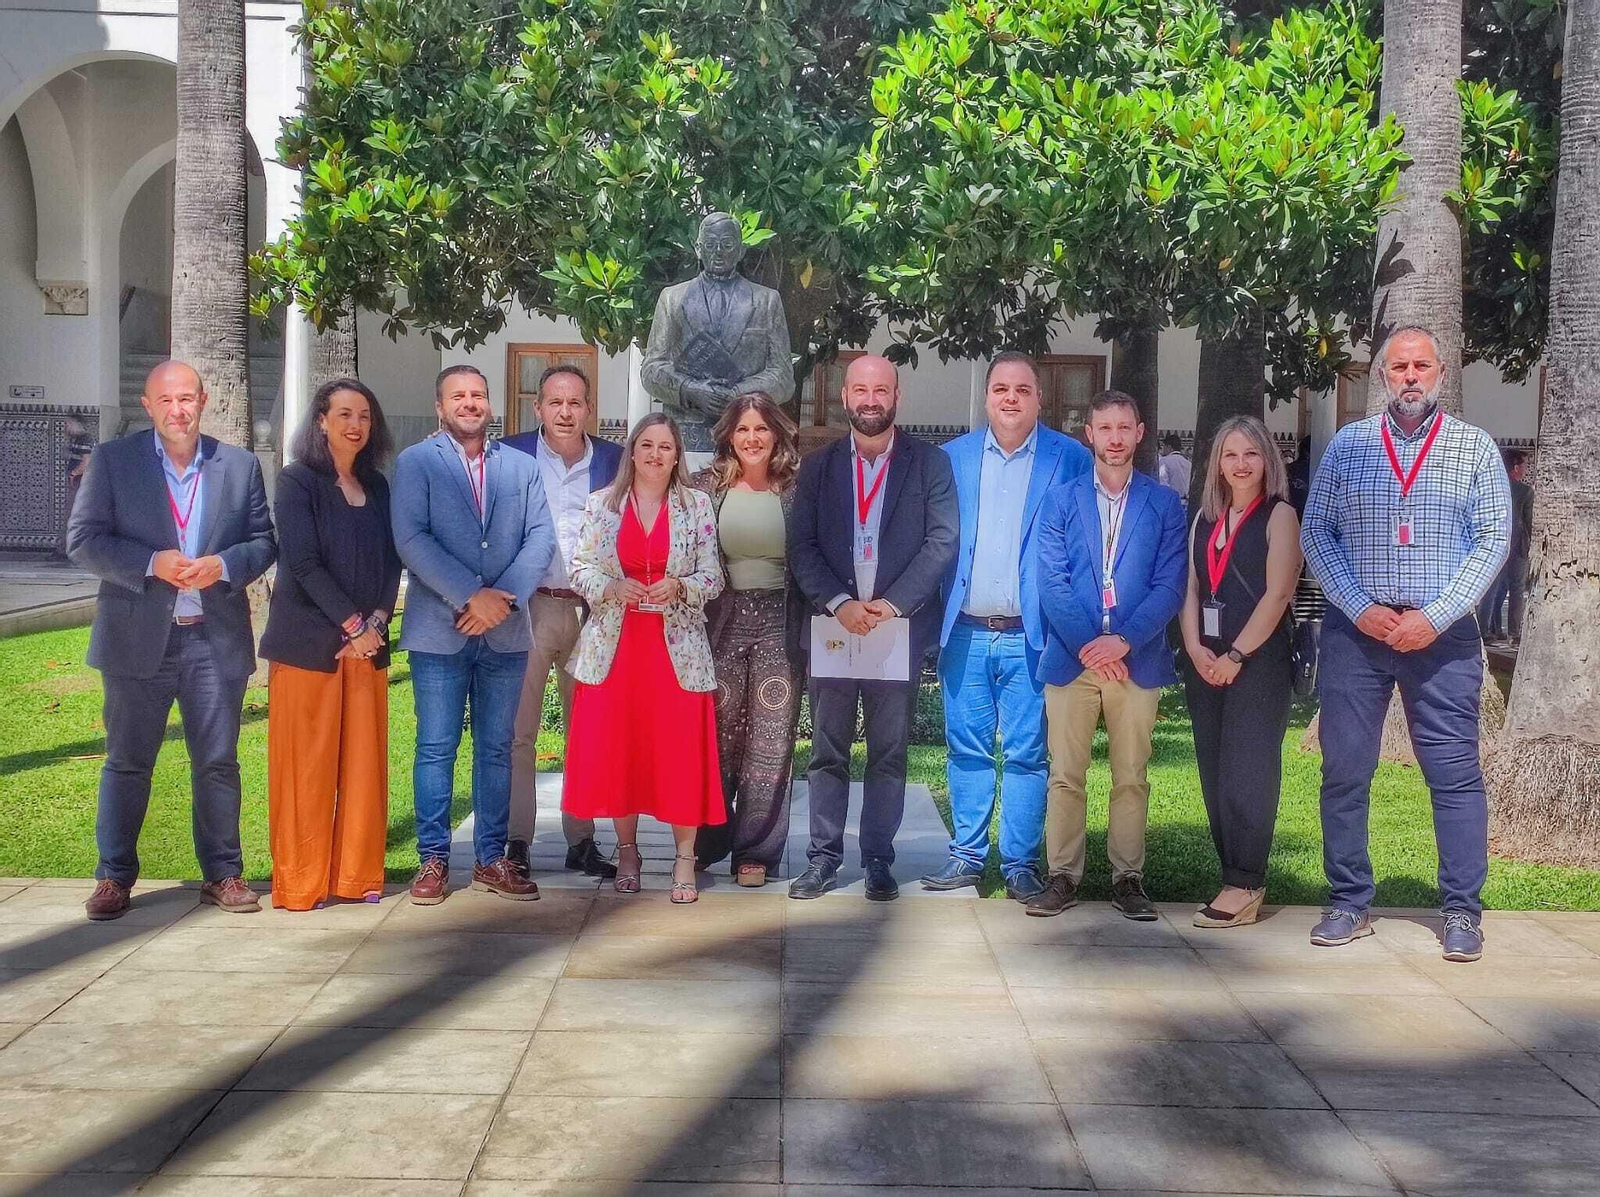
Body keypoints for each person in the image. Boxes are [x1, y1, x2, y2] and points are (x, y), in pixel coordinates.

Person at [1302, 326, 1510, 963]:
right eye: (1399, 367)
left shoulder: (1474, 448)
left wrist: (1440, 615)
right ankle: (1348, 901)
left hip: (1441, 638)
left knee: (1453, 774)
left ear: (1441, 373)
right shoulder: (1349, 446)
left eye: (1422, 365)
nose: (1411, 376)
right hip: (1357, 635)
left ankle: (1461, 911)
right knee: (1344, 771)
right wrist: (1359, 607)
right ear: (1381, 376)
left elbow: (1493, 538)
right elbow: (1317, 533)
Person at [66, 360, 277, 920]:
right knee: (128, 762)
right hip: (137, 641)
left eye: (187, 399)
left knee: (216, 762)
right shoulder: (114, 462)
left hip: (213, 639)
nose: (178, 410)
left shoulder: (237, 465)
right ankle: (113, 877)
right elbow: (83, 541)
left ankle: (223, 874)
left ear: (203, 401)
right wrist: (151, 562)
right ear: (148, 404)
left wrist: (226, 564)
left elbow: (263, 540)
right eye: (167, 400)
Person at [787, 354, 959, 901]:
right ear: (844, 398)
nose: (870, 399)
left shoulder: (930, 465)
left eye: (880, 390)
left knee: (889, 751)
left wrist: (891, 606)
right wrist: (839, 603)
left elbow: (941, 541)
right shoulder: (818, 467)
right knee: (828, 749)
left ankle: (879, 860)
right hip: (835, 626)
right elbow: (801, 546)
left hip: (894, 629)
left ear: (896, 396)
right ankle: (822, 859)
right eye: (860, 389)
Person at [922, 352, 1092, 900]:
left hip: (1033, 635)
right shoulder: (951, 458)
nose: (1011, 398)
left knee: (1026, 753)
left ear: (1039, 399)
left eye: (1022, 389)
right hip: (966, 630)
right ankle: (967, 856)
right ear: (987, 397)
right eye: (1000, 388)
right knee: (966, 748)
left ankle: (1020, 863)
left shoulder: (1070, 460)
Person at [392, 364, 556, 905]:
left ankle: (491, 859)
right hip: (440, 631)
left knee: (496, 749)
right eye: (458, 395)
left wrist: (500, 597)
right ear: (440, 407)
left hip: (506, 632)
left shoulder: (522, 466)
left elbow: (540, 539)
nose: (470, 402)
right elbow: (411, 538)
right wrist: (470, 595)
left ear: (491, 405)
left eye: (478, 394)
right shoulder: (416, 463)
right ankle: (434, 861)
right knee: (436, 747)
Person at [1029, 389, 1186, 920]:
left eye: (1125, 428)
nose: (1115, 439)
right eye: (1105, 428)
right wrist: (1089, 646)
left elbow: (1169, 585)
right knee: (1066, 774)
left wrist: (1124, 641)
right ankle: (1062, 877)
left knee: (1131, 774)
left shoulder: (1163, 504)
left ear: (1140, 433)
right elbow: (1052, 581)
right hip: (1072, 662)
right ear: (1088, 434)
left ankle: (1127, 879)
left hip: (1135, 661)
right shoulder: (1061, 499)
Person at [563, 414, 727, 903]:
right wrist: (611, 586)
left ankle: (682, 859)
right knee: (622, 754)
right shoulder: (602, 504)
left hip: (676, 651)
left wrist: (681, 586)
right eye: (647, 445)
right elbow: (580, 569)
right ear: (632, 452)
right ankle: (628, 851)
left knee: (678, 756)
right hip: (616, 649)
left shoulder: (696, 505)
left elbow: (713, 576)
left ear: (678, 456)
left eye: (666, 447)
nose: (656, 455)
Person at [259, 378, 402, 912]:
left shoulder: (379, 486)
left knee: (364, 768)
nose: (354, 425)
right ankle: (301, 884)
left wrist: (378, 624)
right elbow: (301, 561)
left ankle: (356, 876)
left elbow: (392, 562)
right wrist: (351, 626)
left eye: (364, 415)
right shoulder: (298, 481)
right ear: (321, 419)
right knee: (306, 771)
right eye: (343, 414)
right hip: (309, 646)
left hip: (367, 645)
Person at [499, 364, 622, 880]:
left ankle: (582, 839)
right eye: (555, 402)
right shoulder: (511, 456)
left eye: (575, 403)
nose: (565, 412)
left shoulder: (614, 461)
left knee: (586, 732)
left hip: (592, 612)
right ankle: (516, 842)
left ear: (589, 407)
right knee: (518, 733)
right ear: (538, 408)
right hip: (529, 609)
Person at [1179, 415, 1302, 928]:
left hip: (1256, 664)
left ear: (1266, 459)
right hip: (1205, 662)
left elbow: (1279, 594)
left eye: (1251, 454)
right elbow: (1187, 590)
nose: (1241, 464)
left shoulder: (1279, 516)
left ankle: (1247, 880)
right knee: (1216, 771)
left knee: (1249, 772)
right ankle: (1231, 874)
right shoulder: (1204, 519)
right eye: (1231, 455)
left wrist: (1235, 657)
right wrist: (1195, 649)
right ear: (1218, 463)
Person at [690, 393, 806, 886]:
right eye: (743, 430)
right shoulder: (706, 487)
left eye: (761, 429)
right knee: (716, 731)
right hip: (722, 618)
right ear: (729, 437)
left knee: (771, 735)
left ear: (776, 434)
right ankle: (708, 839)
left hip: (781, 619)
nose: (752, 439)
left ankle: (755, 851)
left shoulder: (798, 490)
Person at [640, 211, 795, 455]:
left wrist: (737, 394)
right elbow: (651, 370)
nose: (718, 251)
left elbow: (784, 377)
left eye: (727, 244)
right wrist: (690, 389)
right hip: (685, 439)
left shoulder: (766, 301)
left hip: (746, 438)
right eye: (710, 245)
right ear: (698, 249)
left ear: (741, 250)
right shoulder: (672, 298)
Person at [1478, 449, 1533, 645]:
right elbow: (1529, 522)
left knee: (1493, 588)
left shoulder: (1493, 488)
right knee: (1516, 589)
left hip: (1496, 543)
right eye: (1524, 466)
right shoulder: (1525, 491)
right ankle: (1514, 633)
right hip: (1517, 546)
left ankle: (1486, 629)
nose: (1525, 470)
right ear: (1516, 468)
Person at [1158, 434, 1192, 501]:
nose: (1163, 450)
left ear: (1169, 447)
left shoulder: (1164, 461)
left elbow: (1163, 482)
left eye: (1164, 447)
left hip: (1171, 500)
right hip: (1186, 501)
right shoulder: (1188, 463)